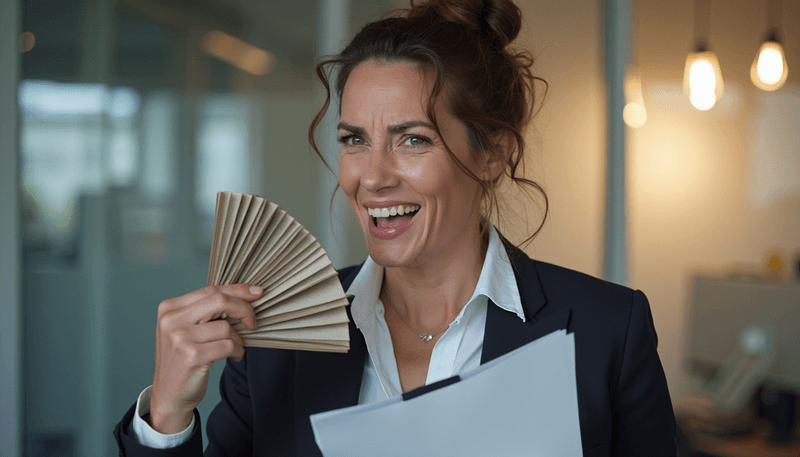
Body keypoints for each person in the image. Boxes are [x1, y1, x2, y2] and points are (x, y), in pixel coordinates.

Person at [114, 0, 677, 455]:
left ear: (492, 155)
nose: (372, 177)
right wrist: (165, 417)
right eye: (354, 139)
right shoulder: (273, 342)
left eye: (413, 139)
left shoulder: (609, 333)